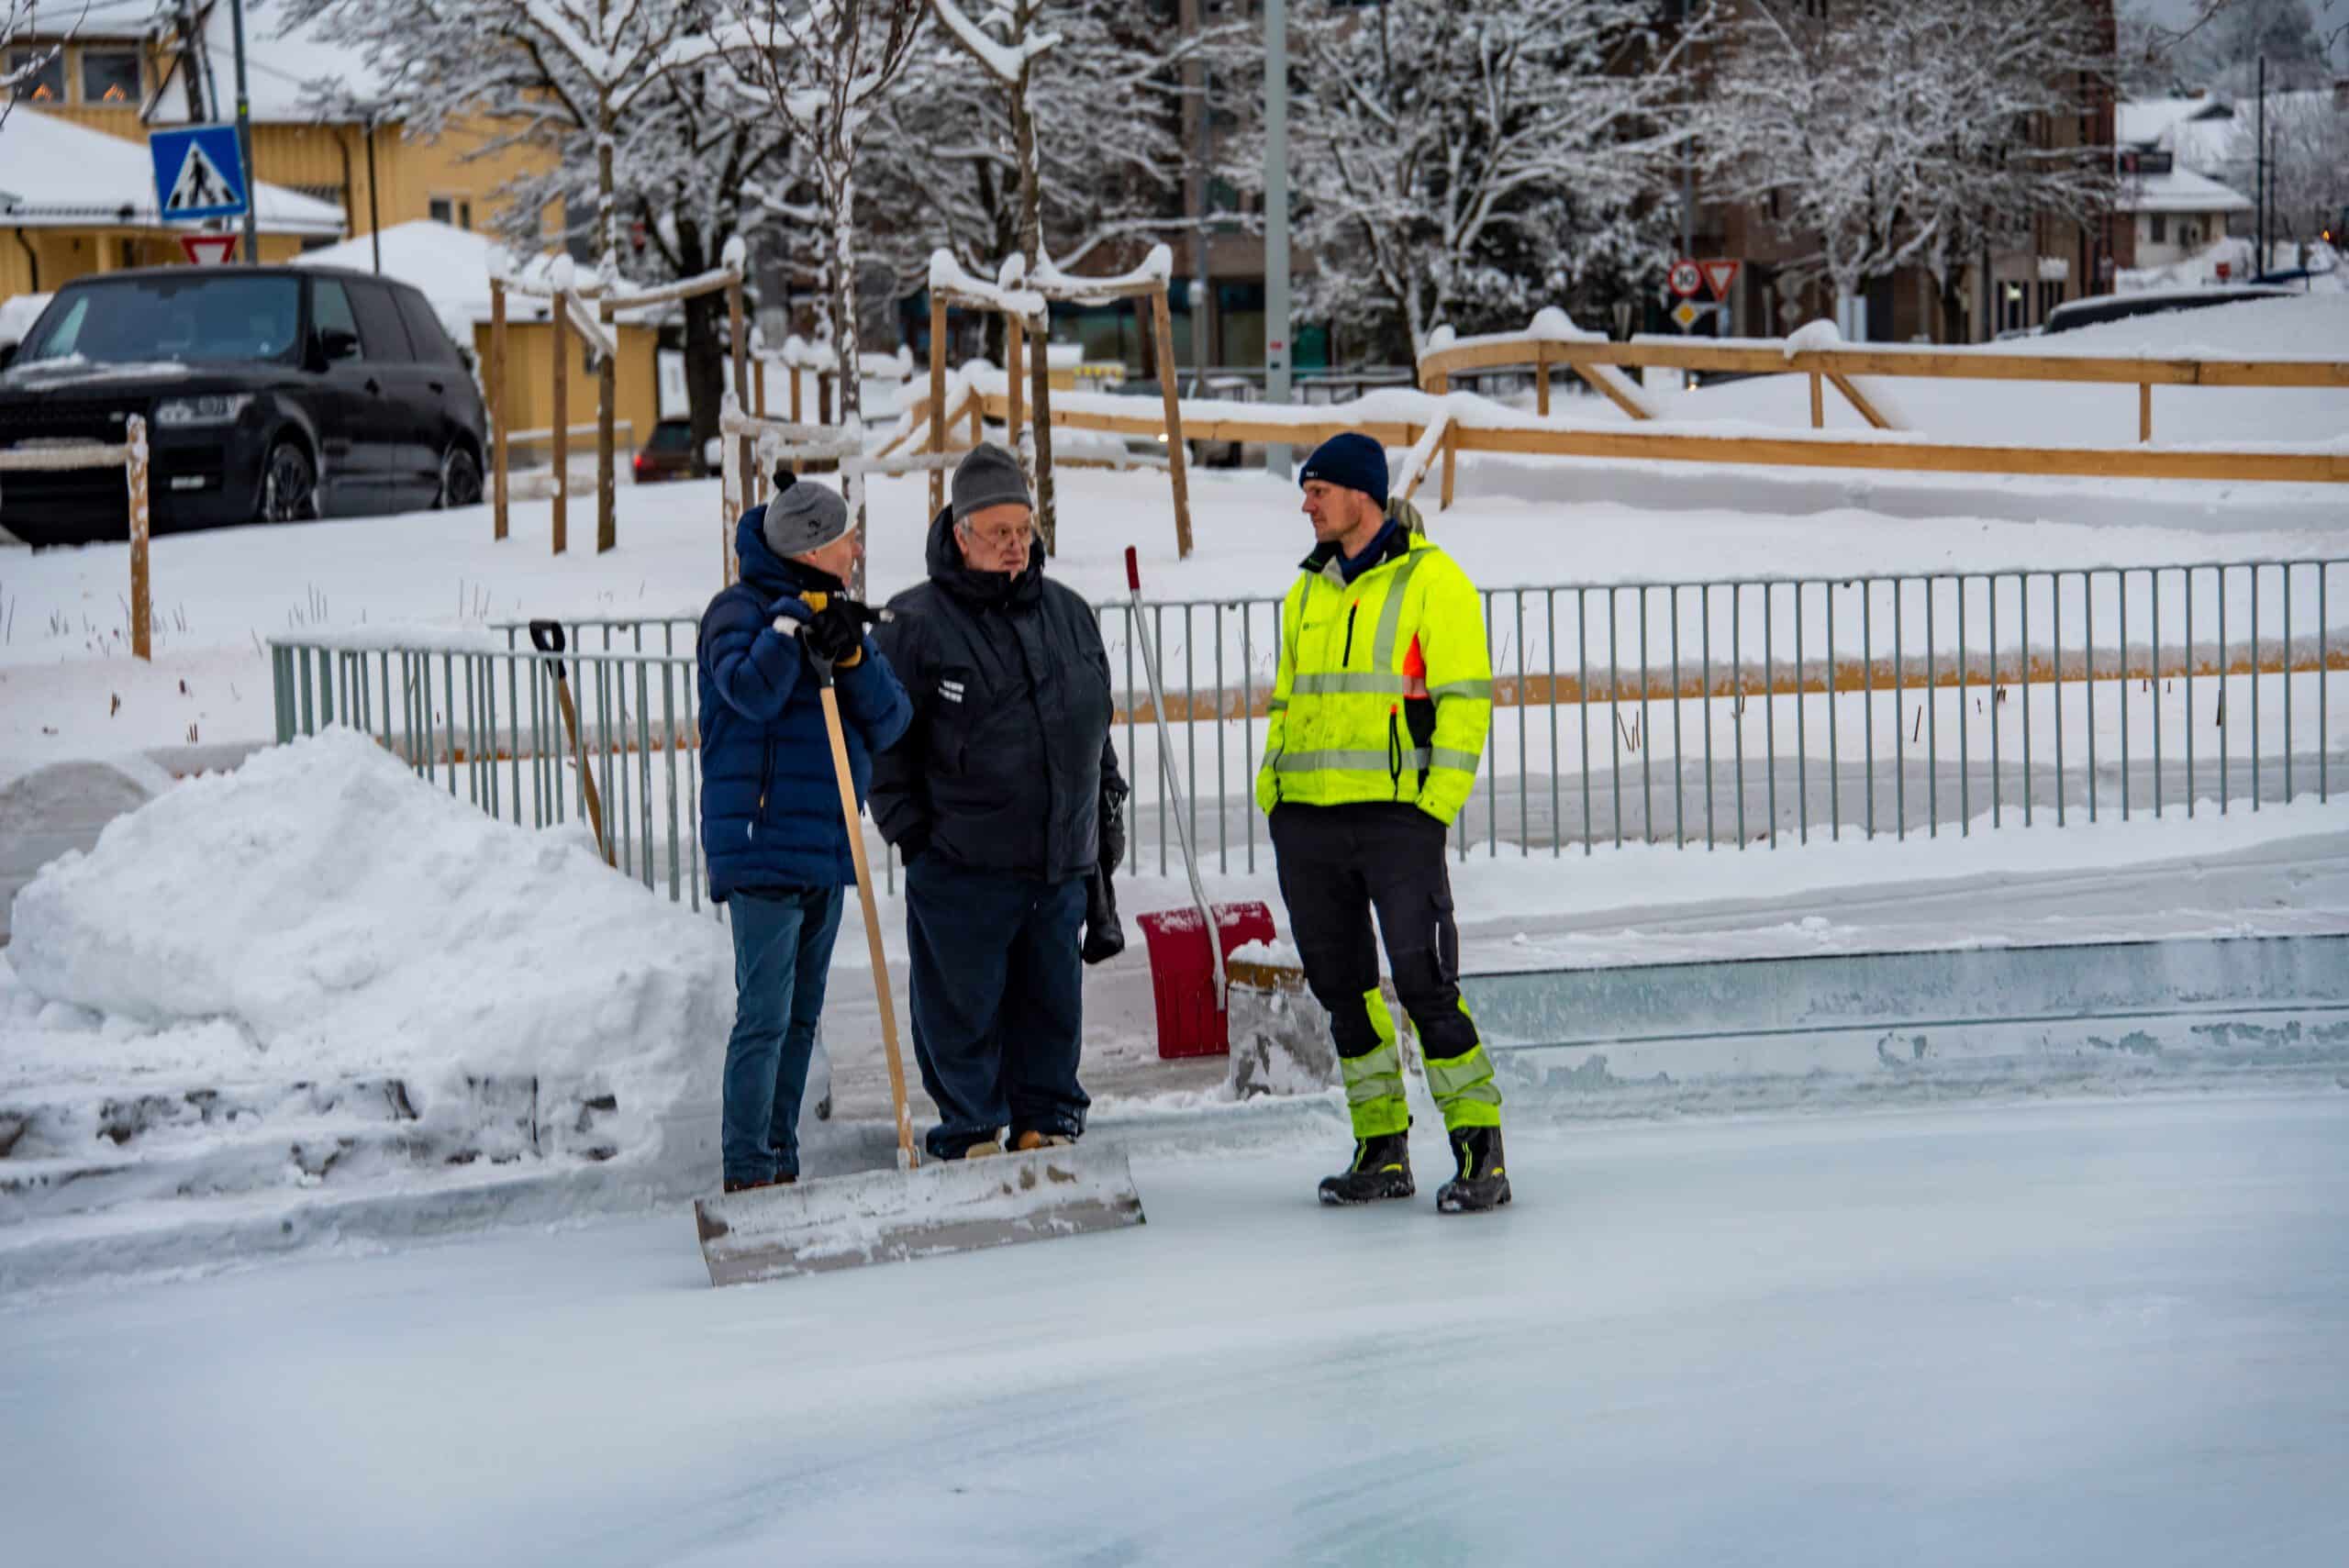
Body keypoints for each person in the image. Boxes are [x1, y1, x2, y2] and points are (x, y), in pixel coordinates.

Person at [1256, 431, 1510, 1214]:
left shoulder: (1434, 580)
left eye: (1317, 490)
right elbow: (1286, 701)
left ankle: (1480, 1149)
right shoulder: (1309, 588)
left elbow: (1467, 700)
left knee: (1426, 983)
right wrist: (1276, 792)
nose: (1307, 504)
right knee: (1344, 992)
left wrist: (1433, 806)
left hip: (1399, 822)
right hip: (1311, 826)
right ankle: (1382, 1147)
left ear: (1359, 495)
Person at [871, 443, 1126, 1160]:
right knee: (963, 1009)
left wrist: (1103, 805)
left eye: (1024, 530)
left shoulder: (1069, 614)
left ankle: (1046, 1124)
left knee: (1051, 1006)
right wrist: (915, 837)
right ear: (960, 533)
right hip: (962, 863)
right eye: (999, 533)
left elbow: (1094, 720)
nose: (1017, 546)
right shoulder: (912, 623)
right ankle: (973, 1129)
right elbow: (886, 746)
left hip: (1059, 857)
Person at [698, 473, 911, 1194]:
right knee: (763, 1012)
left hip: (823, 841)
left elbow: (891, 720)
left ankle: (780, 1154)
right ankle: (747, 1169)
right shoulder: (736, 612)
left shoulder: (838, 613)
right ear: (815, 547)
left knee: (800, 1016)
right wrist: (791, 623)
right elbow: (748, 691)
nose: (855, 549)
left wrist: (850, 656)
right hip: (760, 838)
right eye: (846, 537)